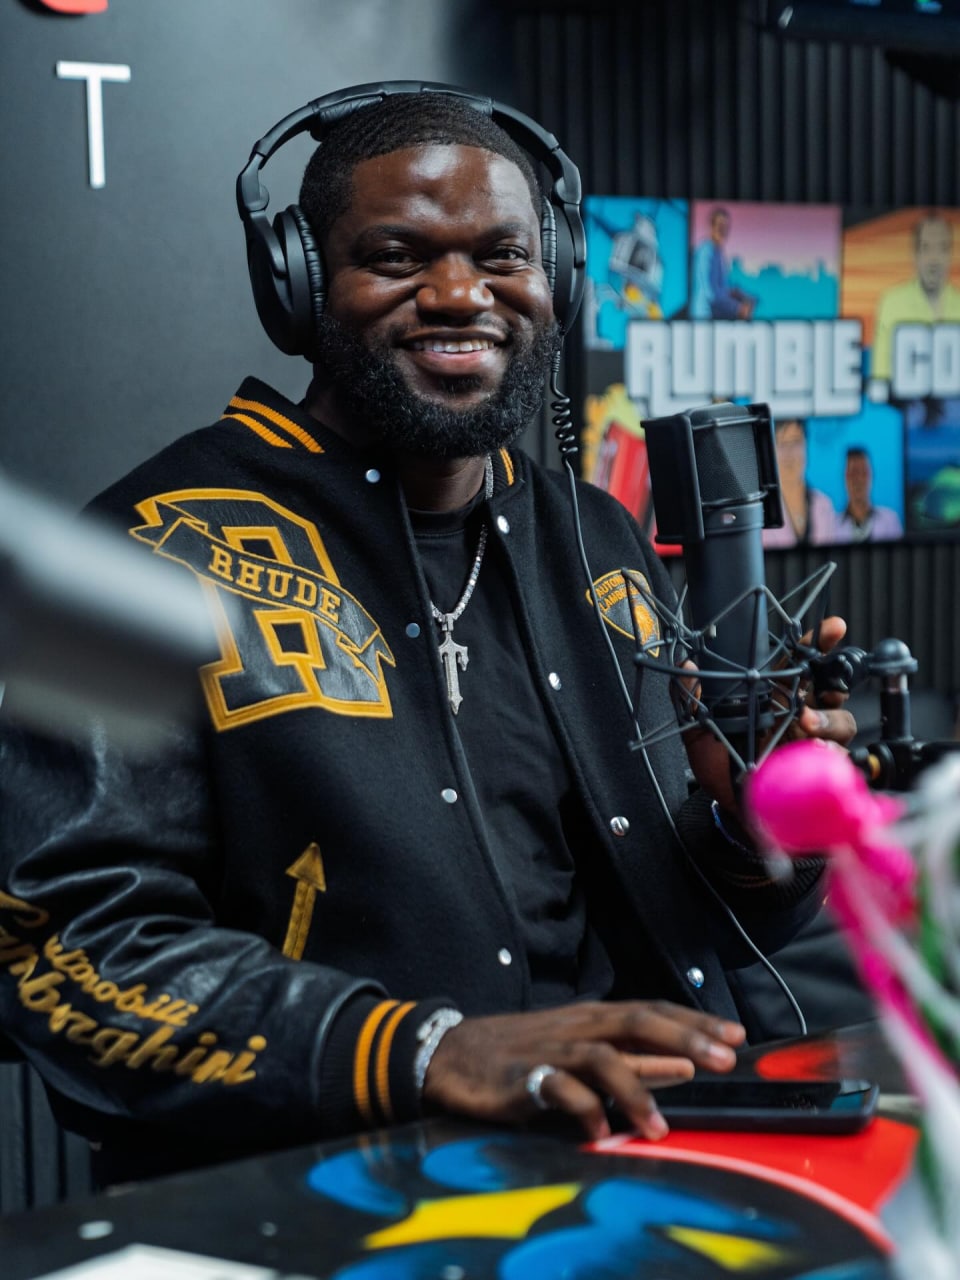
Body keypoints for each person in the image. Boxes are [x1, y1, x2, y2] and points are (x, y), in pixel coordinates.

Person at [0, 85, 854, 1185]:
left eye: (502, 254)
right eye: (398, 256)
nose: (461, 295)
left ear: (556, 280)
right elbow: (58, 953)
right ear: (299, 285)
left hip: (619, 1168)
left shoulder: (593, 537)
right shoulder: (127, 557)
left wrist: (755, 827)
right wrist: (422, 1049)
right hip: (306, 1194)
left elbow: (702, 908)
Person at [871, 213, 960, 392]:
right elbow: (880, 376)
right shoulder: (892, 303)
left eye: (942, 248)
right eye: (926, 248)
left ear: (951, 254)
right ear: (914, 254)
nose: (934, 259)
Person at [762, 418, 838, 549]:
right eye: (782, 444)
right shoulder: (763, 510)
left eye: (796, 442)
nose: (789, 453)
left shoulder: (825, 505)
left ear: (806, 447)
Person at [689, 206, 757, 321]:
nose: (723, 230)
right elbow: (710, 292)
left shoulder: (718, 252)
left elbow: (720, 288)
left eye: (726, 226)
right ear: (712, 226)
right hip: (704, 318)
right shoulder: (706, 251)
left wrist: (734, 293)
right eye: (720, 225)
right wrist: (737, 308)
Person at [834, 446, 903, 544]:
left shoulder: (890, 521)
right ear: (845, 478)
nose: (858, 480)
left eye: (863, 472)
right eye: (853, 473)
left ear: (871, 476)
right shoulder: (831, 525)